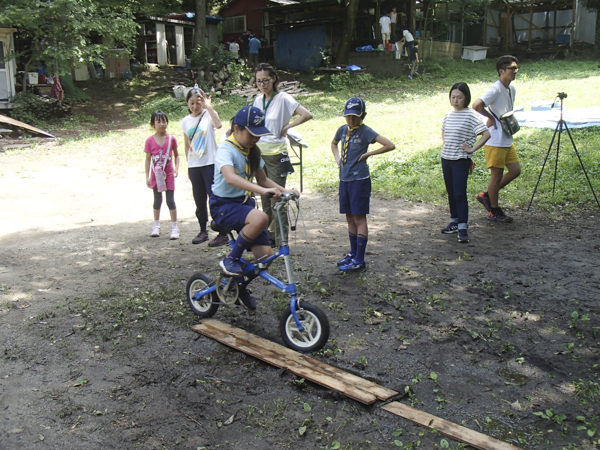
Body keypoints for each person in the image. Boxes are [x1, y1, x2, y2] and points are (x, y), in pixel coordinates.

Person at [209, 106, 299, 310]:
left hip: (244, 205)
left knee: (265, 257)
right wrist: (261, 191)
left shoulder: (252, 150)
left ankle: (239, 288)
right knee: (261, 218)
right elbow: (231, 178)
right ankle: (230, 258)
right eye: (252, 134)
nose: (255, 139)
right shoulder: (226, 149)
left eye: (258, 135)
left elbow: (263, 179)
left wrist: (285, 190)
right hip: (223, 206)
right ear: (236, 129)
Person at [330, 97, 395, 272]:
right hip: (345, 180)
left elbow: (390, 145)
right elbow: (334, 143)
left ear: (363, 115)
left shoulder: (365, 131)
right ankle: (352, 253)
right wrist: (337, 158)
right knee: (349, 217)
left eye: (355, 117)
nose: (351, 120)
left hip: (359, 181)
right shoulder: (342, 130)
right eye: (348, 116)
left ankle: (360, 259)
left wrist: (368, 155)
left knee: (359, 218)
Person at [252, 63, 313, 247]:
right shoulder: (257, 100)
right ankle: (269, 236)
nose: (262, 84)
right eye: (258, 81)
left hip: (277, 154)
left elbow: (307, 114)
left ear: (274, 79)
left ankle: (282, 241)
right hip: (259, 153)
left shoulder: (283, 98)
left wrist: (288, 126)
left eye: (265, 80)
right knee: (264, 197)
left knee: (277, 198)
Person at [472, 55, 521, 223]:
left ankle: (486, 196)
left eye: (516, 68)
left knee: (515, 170)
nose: (515, 71)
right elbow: (477, 105)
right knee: (496, 175)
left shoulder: (511, 89)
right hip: (495, 139)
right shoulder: (496, 89)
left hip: (506, 137)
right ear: (502, 71)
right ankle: (494, 210)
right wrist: (489, 117)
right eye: (512, 69)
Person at [441, 83, 491, 243]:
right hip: (446, 159)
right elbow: (443, 131)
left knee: (459, 193)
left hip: (460, 161)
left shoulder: (471, 115)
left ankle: (463, 226)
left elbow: (486, 133)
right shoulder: (449, 114)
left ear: (466, 98)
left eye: (459, 97)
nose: (455, 101)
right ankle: (454, 221)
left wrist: (471, 149)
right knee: (450, 192)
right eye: (453, 97)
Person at [181, 88, 228, 247]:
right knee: (199, 200)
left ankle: (222, 233)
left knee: (214, 199)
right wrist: (189, 163)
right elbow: (187, 143)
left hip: (210, 163)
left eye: (198, 102)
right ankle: (203, 231)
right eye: (192, 103)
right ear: (187, 103)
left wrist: (208, 106)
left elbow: (219, 124)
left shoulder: (208, 115)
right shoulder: (185, 121)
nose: (195, 106)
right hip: (195, 166)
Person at [144, 111, 180, 239]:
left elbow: (176, 155)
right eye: (158, 121)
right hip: (156, 175)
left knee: (170, 200)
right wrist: (147, 176)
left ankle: (174, 227)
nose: (162, 124)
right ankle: (156, 225)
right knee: (157, 200)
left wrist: (176, 168)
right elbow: (148, 159)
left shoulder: (171, 139)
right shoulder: (149, 141)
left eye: (164, 121)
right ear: (153, 124)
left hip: (168, 173)